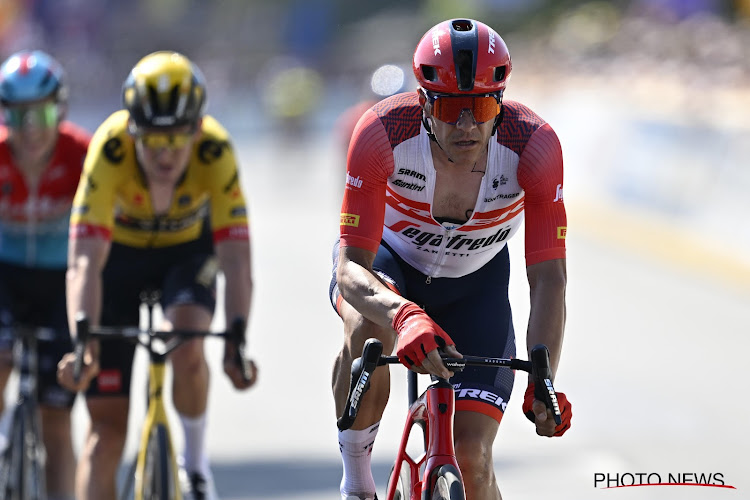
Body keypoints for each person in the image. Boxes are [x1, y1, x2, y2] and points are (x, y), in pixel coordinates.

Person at [329, 19, 573, 500]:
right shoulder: (381, 132)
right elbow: (349, 269)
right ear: (424, 102)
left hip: (475, 288)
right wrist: (401, 314)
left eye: (481, 106)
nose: (468, 125)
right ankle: (356, 484)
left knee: (473, 462)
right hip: (387, 271)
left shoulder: (534, 147)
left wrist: (544, 378)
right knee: (367, 328)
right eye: (451, 108)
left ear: (499, 102)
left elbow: (549, 279)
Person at [55, 50, 258, 500]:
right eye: (152, 140)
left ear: (196, 130)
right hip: (119, 261)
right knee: (105, 435)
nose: (166, 154)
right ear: (132, 133)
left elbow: (236, 258)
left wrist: (237, 340)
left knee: (186, 344)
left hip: (186, 255)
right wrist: (83, 340)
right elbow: (85, 260)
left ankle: (195, 465)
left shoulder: (215, 149)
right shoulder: (108, 150)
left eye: (178, 139)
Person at [0, 49, 90, 500]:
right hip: (5, 278)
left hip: (60, 284)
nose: (31, 129)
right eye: (18, 116)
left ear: (62, 109)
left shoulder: (83, 155)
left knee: (56, 419)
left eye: (43, 113)